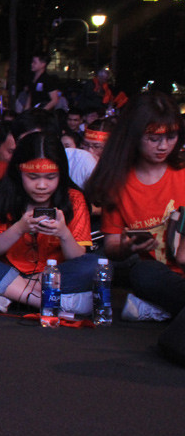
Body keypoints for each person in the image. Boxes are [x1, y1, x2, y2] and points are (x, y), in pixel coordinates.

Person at [86, 91, 185, 322]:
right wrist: (128, 246)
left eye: (171, 138)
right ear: (134, 136)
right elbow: (111, 247)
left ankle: (166, 312)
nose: (163, 146)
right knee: (142, 273)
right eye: (153, 139)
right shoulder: (117, 182)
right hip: (160, 277)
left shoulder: (182, 171)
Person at [0, 132, 95, 314]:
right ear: (19, 172)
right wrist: (19, 228)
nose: (42, 185)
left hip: (52, 275)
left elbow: (77, 258)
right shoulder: (3, 196)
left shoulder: (74, 199)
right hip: (6, 272)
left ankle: (10, 295)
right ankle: (48, 302)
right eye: (33, 177)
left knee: (95, 265)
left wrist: (63, 234)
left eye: (50, 177)